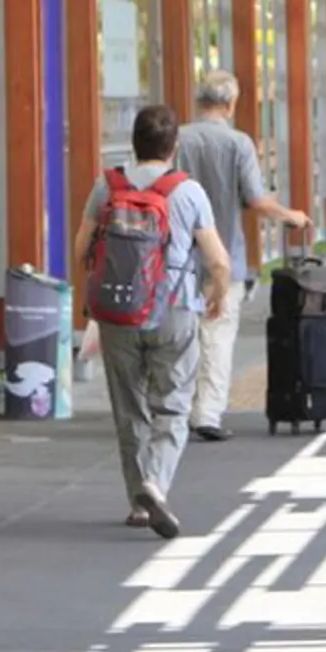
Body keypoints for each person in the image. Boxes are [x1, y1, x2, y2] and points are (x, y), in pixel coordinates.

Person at [75, 104, 232, 539]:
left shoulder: (107, 186)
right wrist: (215, 297)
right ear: (174, 147)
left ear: (134, 143)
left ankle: (138, 504)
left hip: (118, 312)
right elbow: (218, 260)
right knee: (174, 404)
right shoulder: (187, 191)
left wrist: (98, 291)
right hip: (175, 309)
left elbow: (82, 246)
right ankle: (156, 484)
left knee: (130, 409)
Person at [177, 70, 312, 443]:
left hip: (178, 259)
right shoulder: (238, 144)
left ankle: (180, 408)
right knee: (218, 333)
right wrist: (291, 216)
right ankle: (207, 413)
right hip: (225, 257)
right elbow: (255, 198)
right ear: (230, 104)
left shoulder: (179, 140)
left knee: (183, 336)